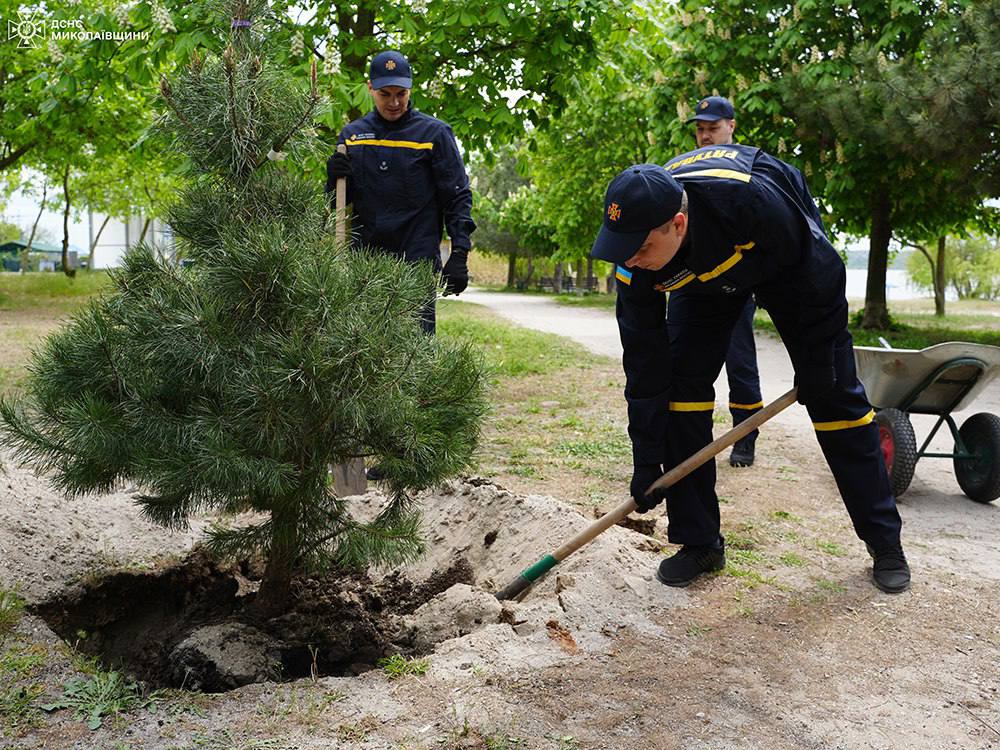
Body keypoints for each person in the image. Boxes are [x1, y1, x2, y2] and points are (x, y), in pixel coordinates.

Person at [591, 145, 910, 594]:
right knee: (682, 394)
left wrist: (818, 361)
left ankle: (885, 542)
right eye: (622, 249)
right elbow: (644, 363)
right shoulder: (635, 260)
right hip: (700, 278)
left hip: (781, 264)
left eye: (641, 248)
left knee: (834, 397)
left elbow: (821, 275)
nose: (630, 260)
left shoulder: (752, 203)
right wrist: (647, 459)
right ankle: (700, 543)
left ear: (677, 224)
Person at [325, 50, 475, 334]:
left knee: (413, 355)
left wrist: (459, 253)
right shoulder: (352, 137)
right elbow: (337, 204)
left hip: (415, 263)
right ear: (370, 88)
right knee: (364, 349)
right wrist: (333, 178)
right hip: (365, 266)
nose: (394, 102)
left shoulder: (434, 134)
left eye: (401, 94)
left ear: (410, 88)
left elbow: (456, 196)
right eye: (385, 94)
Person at [685, 95, 762, 467]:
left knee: (740, 362)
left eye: (712, 129)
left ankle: (745, 436)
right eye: (700, 130)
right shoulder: (687, 169)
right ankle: (686, 438)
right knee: (686, 361)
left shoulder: (748, 167)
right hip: (693, 283)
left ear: (731, 126)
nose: (705, 136)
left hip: (735, 286)